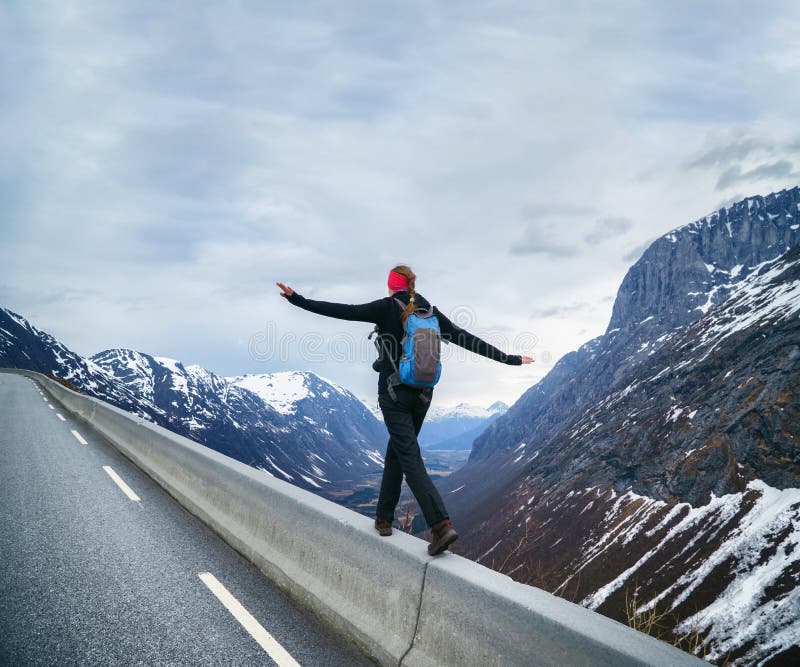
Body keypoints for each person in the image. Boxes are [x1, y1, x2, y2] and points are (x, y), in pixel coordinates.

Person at [276, 265, 533, 555]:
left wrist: (297, 299)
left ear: (391, 285)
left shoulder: (386, 307)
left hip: (393, 392)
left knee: (409, 456)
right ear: (412, 285)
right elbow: (467, 338)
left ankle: (440, 525)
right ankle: (384, 518)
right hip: (423, 396)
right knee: (399, 450)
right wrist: (510, 359)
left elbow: (343, 310)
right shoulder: (431, 311)